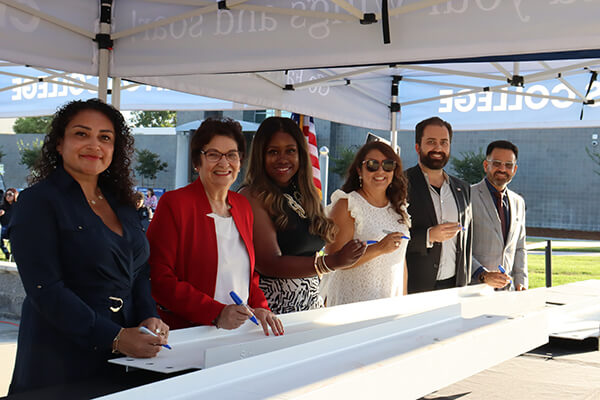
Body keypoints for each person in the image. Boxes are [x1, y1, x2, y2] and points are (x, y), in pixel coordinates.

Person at [8, 99, 169, 395]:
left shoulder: (121, 203)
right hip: (61, 359)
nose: (94, 144)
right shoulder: (37, 202)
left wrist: (149, 315)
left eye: (105, 137)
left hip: (129, 358)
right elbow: (46, 290)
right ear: (59, 143)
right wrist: (115, 336)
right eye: (81, 134)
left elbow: (140, 270)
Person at [147, 118, 283, 336]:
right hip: (190, 333)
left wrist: (261, 307)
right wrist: (216, 313)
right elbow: (158, 278)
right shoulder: (175, 204)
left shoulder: (242, 206)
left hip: (239, 332)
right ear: (197, 161)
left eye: (231, 154)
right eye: (213, 154)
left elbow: (248, 276)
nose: (224, 162)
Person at [240, 117, 366, 314]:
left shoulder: (303, 194)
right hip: (273, 310)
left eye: (290, 151)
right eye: (273, 152)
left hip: (310, 306)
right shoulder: (252, 194)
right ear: (260, 155)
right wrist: (332, 262)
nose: (283, 158)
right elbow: (268, 263)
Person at [325, 141, 411, 306]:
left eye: (388, 165)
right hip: (353, 303)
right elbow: (332, 259)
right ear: (359, 169)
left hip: (390, 303)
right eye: (372, 165)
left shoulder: (398, 209)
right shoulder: (347, 204)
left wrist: (404, 301)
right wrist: (379, 248)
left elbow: (401, 260)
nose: (380, 171)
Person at [405, 116, 472, 294]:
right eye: (431, 142)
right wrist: (428, 236)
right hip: (414, 287)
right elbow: (389, 236)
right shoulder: (400, 184)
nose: (438, 148)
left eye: (444, 142)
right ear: (417, 147)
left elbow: (466, 243)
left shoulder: (463, 189)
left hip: (455, 288)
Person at [471, 140, 527, 291]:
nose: (502, 169)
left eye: (508, 165)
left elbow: (520, 247)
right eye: (497, 163)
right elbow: (459, 248)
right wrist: (482, 274)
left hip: (508, 291)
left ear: (514, 169)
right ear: (485, 165)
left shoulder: (518, 202)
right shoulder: (468, 196)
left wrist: (520, 281)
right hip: (475, 289)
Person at [0, 188, 18, 260]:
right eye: (6, 194)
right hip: (4, 228)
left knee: (13, 235)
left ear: (15, 195)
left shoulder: (18, 206)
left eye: (10, 194)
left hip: (14, 228)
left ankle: (13, 255)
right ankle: (6, 252)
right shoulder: (2, 206)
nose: (8, 196)